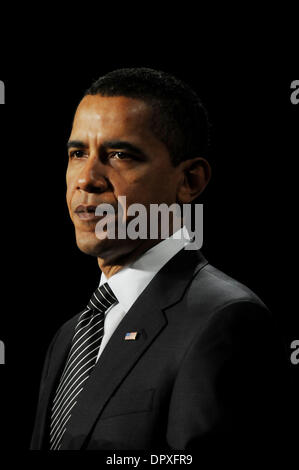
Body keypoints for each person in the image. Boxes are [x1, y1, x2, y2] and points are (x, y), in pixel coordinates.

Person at [30, 68, 288, 451]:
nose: (87, 178)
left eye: (119, 155)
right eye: (78, 153)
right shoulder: (70, 335)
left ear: (189, 181)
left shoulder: (225, 320)